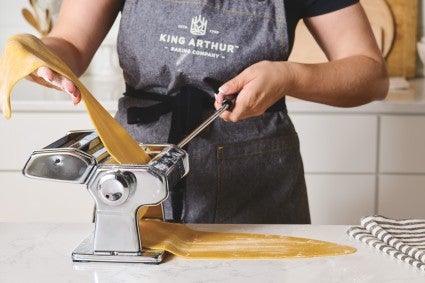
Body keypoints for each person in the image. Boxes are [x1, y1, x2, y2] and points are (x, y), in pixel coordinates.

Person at [31, 0, 388, 224]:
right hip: (139, 173)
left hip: (259, 183)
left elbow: (370, 75)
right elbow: (70, 43)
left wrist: (291, 76)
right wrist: (38, 54)